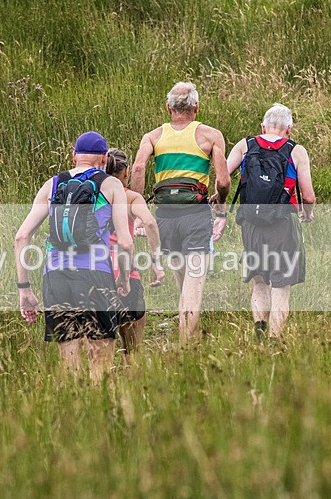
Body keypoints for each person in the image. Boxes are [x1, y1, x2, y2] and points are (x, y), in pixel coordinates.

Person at [15, 131, 133, 381]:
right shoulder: (111, 185)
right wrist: (123, 278)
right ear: (104, 158)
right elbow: (124, 241)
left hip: (56, 278)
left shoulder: (53, 184)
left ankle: (73, 415)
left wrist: (24, 289)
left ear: (73, 156)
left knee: (69, 366)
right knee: (100, 364)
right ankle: (98, 415)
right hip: (96, 276)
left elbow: (21, 237)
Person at [130, 82, 230, 343]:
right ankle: (187, 352)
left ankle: (189, 340)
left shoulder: (153, 137)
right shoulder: (210, 135)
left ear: (168, 108)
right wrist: (220, 203)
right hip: (196, 217)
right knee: (193, 292)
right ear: (197, 108)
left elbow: (139, 168)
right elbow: (223, 182)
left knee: (183, 284)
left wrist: (138, 211)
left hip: (165, 218)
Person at [218, 103, 315, 338]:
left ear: (262, 126)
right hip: (282, 224)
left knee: (260, 282)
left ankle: (260, 334)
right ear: (288, 129)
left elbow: (223, 177)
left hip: (251, 224)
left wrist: (219, 205)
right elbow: (309, 196)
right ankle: (275, 341)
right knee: (280, 287)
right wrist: (307, 214)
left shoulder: (245, 145)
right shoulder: (296, 151)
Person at [104, 148, 165, 360]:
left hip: (96, 270)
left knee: (102, 350)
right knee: (132, 350)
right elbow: (149, 222)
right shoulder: (131, 198)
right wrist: (156, 261)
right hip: (126, 271)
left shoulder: (93, 195)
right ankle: (132, 385)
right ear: (126, 172)